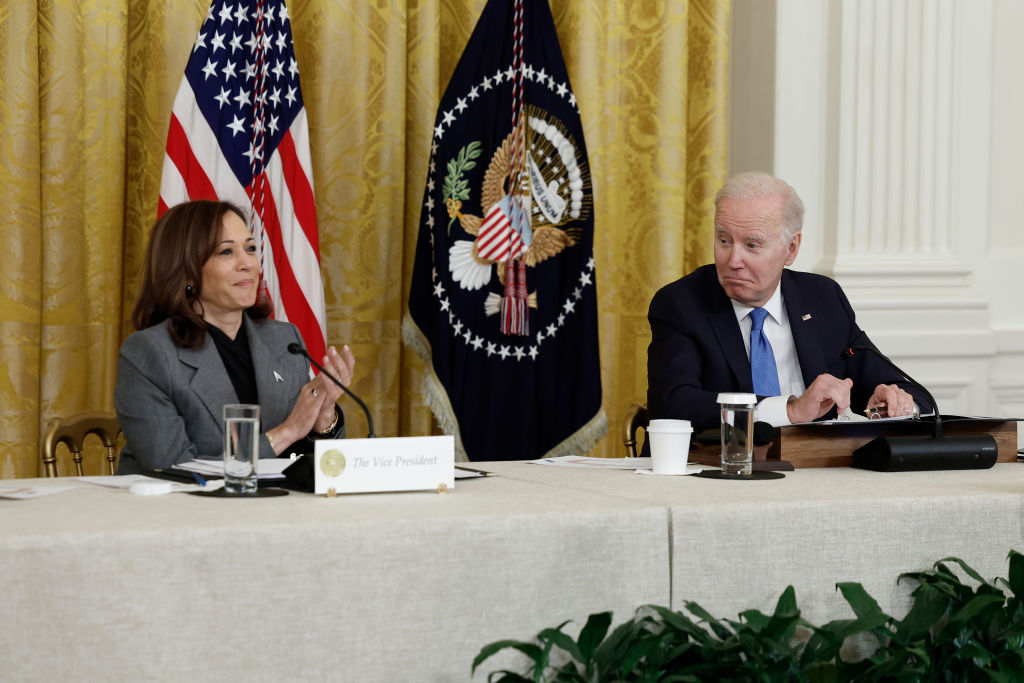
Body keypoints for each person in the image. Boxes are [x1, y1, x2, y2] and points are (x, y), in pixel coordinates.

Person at [647, 172, 931, 432]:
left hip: (813, 473)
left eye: (752, 245)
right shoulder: (681, 304)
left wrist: (896, 403)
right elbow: (674, 403)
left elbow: (901, 387)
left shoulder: (822, 299)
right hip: (715, 473)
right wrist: (790, 410)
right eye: (724, 240)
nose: (733, 261)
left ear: (791, 248)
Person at [115, 200, 355, 474]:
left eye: (251, 249)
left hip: (274, 510)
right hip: (180, 513)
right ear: (186, 269)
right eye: (226, 252)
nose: (248, 264)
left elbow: (311, 466)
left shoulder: (283, 339)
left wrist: (324, 417)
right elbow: (172, 468)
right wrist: (287, 432)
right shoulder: (149, 353)